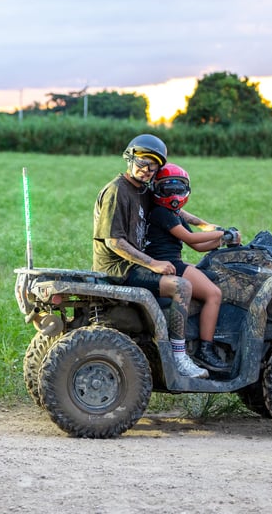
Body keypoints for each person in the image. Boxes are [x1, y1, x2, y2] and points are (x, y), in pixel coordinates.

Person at [92, 134, 208, 378]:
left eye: (153, 166)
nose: (146, 169)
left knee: (194, 272)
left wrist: (206, 226)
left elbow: (176, 210)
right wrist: (153, 263)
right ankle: (179, 357)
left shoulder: (142, 190)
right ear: (130, 158)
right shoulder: (117, 191)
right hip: (119, 268)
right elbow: (114, 241)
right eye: (143, 162)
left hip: (135, 265)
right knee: (182, 287)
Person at [145, 163, 240, 373]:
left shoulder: (172, 212)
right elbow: (191, 238)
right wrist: (222, 233)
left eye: (178, 188)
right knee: (214, 294)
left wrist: (223, 240)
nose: (173, 194)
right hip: (169, 264)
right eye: (167, 189)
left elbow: (197, 246)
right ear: (156, 189)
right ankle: (205, 349)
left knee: (211, 277)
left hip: (172, 261)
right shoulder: (162, 213)